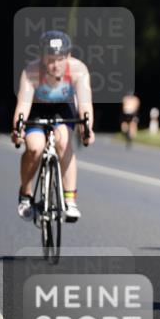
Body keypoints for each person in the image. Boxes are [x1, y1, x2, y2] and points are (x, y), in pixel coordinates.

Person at [11, 31, 95, 222]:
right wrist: (18, 130)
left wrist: (87, 129)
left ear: (69, 56)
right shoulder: (31, 72)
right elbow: (23, 106)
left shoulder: (78, 70)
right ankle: (26, 192)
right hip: (37, 110)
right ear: (41, 56)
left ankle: (70, 200)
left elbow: (85, 105)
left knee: (64, 142)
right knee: (35, 147)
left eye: (60, 59)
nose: (56, 65)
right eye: (50, 59)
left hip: (63, 110)